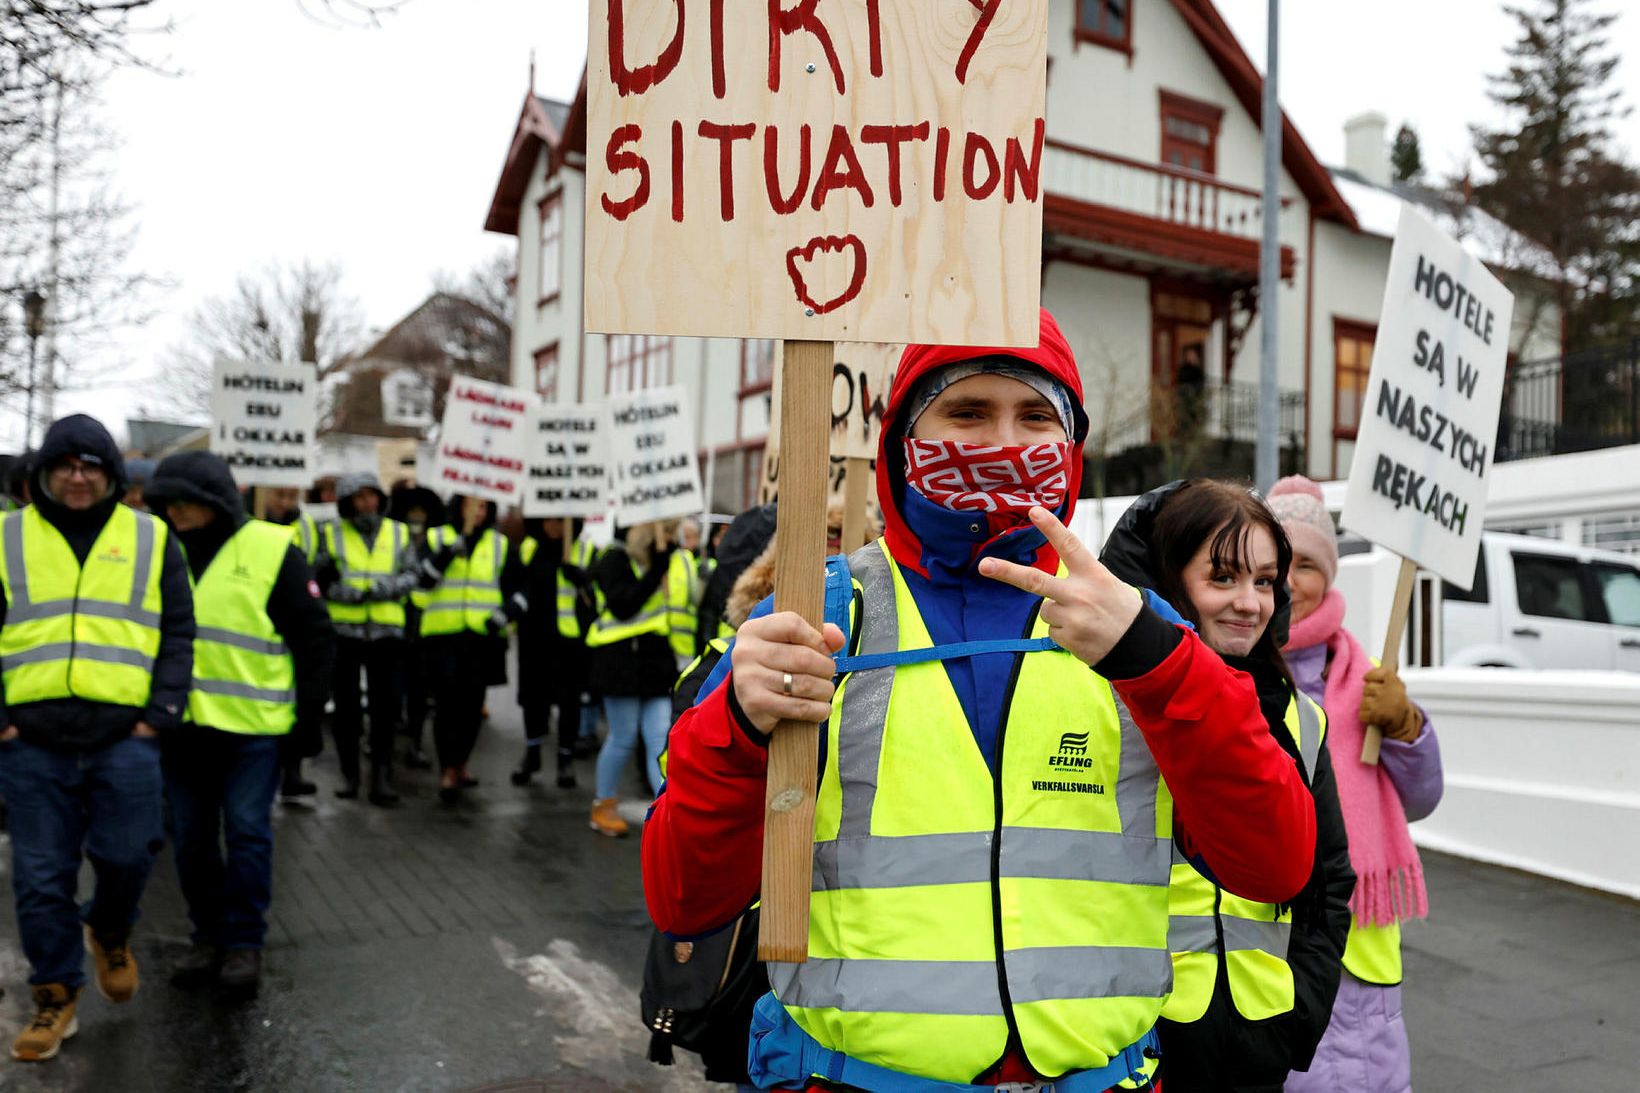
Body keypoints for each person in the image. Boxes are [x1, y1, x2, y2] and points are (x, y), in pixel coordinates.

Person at [644, 310, 1318, 1090]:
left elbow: (1275, 862)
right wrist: (736, 727)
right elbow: (683, 898)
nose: (1003, 440)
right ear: (903, 437)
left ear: (1073, 446)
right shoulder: (815, 615)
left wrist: (1161, 666)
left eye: (1035, 415)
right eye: (967, 411)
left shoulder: (1136, 624)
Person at [1100, 479, 1354, 1093]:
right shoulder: (1104, 703)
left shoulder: (1302, 716)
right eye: (1223, 577)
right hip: (1134, 1040)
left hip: (1260, 1039)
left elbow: (1331, 880)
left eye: (1265, 581)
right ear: (1166, 579)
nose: (1250, 602)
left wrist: (1301, 1009)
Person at [0, 414, 194, 1062]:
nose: (77, 476)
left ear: (110, 474)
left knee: (130, 854)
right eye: (65, 465)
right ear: (42, 474)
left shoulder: (150, 536)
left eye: (90, 465)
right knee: (40, 876)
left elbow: (178, 629)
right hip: (30, 741)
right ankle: (55, 993)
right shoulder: (5, 536)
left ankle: (109, 927)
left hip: (124, 737)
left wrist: (159, 710)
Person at [1268, 476, 1442, 1093]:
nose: (1290, 580)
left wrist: (1406, 726)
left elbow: (1421, 799)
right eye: (1276, 562)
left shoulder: (1370, 678)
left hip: (1357, 966)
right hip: (1259, 951)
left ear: (1331, 576)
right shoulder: (1221, 672)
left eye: (1308, 564)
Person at [144, 453, 335, 993]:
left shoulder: (273, 549)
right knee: (194, 842)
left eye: (186, 501)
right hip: (184, 730)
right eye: (168, 502)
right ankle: (208, 938)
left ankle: (244, 946)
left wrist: (307, 722)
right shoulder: (161, 551)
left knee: (248, 834)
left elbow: (315, 640)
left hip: (254, 729)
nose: (175, 512)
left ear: (215, 501)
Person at [314, 472, 418, 805]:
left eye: (371, 496)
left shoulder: (399, 532)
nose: (367, 504)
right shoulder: (330, 534)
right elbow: (319, 580)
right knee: (346, 709)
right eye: (359, 498)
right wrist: (346, 593)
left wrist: (381, 591)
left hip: (387, 632)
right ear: (346, 503)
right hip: (345, 631)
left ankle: (382, 776)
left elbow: (411, 575)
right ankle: (350, 774)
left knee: (384, 707)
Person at [415, 494, 522, 803]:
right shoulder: (437, 538)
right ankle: (448, 767)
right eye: (472, 505)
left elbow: (519, 587)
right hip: (443, 637)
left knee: (473, 705)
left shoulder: (499, 544)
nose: (478, 512)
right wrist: (447, 554)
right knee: (446, 706)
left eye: (485, 506)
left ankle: (462, 762)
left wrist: (505, 615)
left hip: (481, 638)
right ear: (459, 507)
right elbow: (422, 581)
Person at [585, 521, 678, 837]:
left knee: (659, 740)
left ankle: (666, 811)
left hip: (653, 664)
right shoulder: (613, 559)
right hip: (620, 664)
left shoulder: (659, 559)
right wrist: (657, 571)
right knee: (623, 737)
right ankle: (603, 804)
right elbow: (624, 605)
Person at [511, 518, 598, 789]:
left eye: (561, 521)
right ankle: (532, 753)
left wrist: (583, 582)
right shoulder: (528, 548)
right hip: (534, 638)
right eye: (549, 520)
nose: (555, 526)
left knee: (569, 701)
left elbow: (599, 600)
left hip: (569, 640)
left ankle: (565, 760)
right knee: (532, 699)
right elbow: (515, 585)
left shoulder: (587, 551)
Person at [261, 484, 324, 800]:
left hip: (296, 616)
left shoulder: (307, 527)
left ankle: (293, 770)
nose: (285, 502)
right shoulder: (252, 519)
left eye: (291, 496)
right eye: (279, 495)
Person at [389, 484, 446, 772]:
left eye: (421, 514)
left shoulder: (435, 543)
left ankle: (415, 741)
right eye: (412, 513)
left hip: (425, 624)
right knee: (391, 686)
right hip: (396, 622)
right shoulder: (396, 539)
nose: (417, 519)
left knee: (419, 690)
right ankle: (383, 738)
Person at [666, 516, 705, 666]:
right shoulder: (678, 558)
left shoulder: (698, 559)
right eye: (687, 537)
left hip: (689, 635)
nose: (691, 542)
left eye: (694, 536)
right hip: (673, 635)